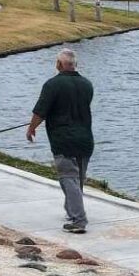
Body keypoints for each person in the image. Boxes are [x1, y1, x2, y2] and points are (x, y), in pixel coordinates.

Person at [25, 48, 94, 234]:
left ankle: (79, 220)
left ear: (58, 64)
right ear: (75, 64)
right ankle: (72, 212)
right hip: (85, 139)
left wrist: (31, 128)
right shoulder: (87, 84)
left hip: (64, 140)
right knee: (77, 179)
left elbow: (40, 112)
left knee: (68, 179)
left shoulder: (52, 85)